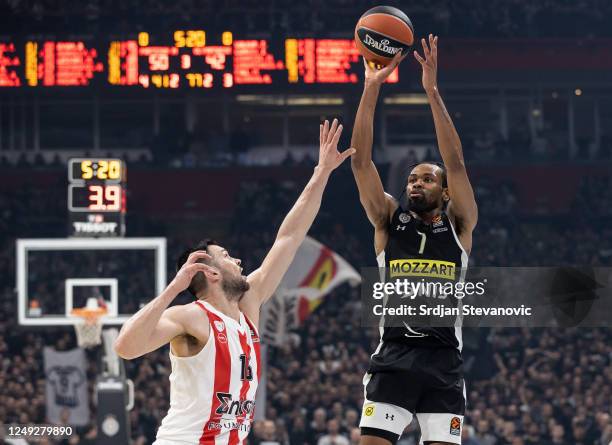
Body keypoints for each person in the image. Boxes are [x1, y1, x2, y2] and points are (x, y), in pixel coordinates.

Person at [114, 119, 355, 445]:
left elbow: (290, 237)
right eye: (227, 256)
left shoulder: (248, 305)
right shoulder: (192, 316)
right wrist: (175, 287)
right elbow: (125, 347)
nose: (238, 260)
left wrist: (321, 172)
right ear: (210, 273)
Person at [350, 35, 478, 445]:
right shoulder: (389, 218)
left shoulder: (459, 224)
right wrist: (371, 89)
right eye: (411, 178)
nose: (415, 183)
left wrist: (432, 91)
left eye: (426, 178)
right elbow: (360, 161)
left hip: (443, 362)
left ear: (444, 192)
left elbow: (456, 161)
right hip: (394, 356)